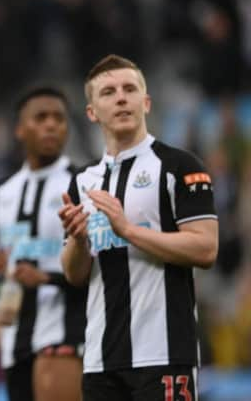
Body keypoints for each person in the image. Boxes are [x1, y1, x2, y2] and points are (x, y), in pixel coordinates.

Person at [59, 54, 218, 401]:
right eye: (108, 92)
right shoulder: (82, 182)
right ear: (91, 112)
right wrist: (78, 240)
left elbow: (206, 249)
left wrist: (128, 230)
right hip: (101, 360)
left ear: (145, 102)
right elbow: (75, 275)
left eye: (130, 89)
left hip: (165, 354)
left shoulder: (179, 167)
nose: (121, 97)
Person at [0, 87, 86, 401]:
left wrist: (48, 280)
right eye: (41, 117)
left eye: (59, 118)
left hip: (67, 336)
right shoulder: (2, 192)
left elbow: (101, 269)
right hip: (16, 343)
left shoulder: (83, 182)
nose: (51, 125)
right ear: (19, 129)